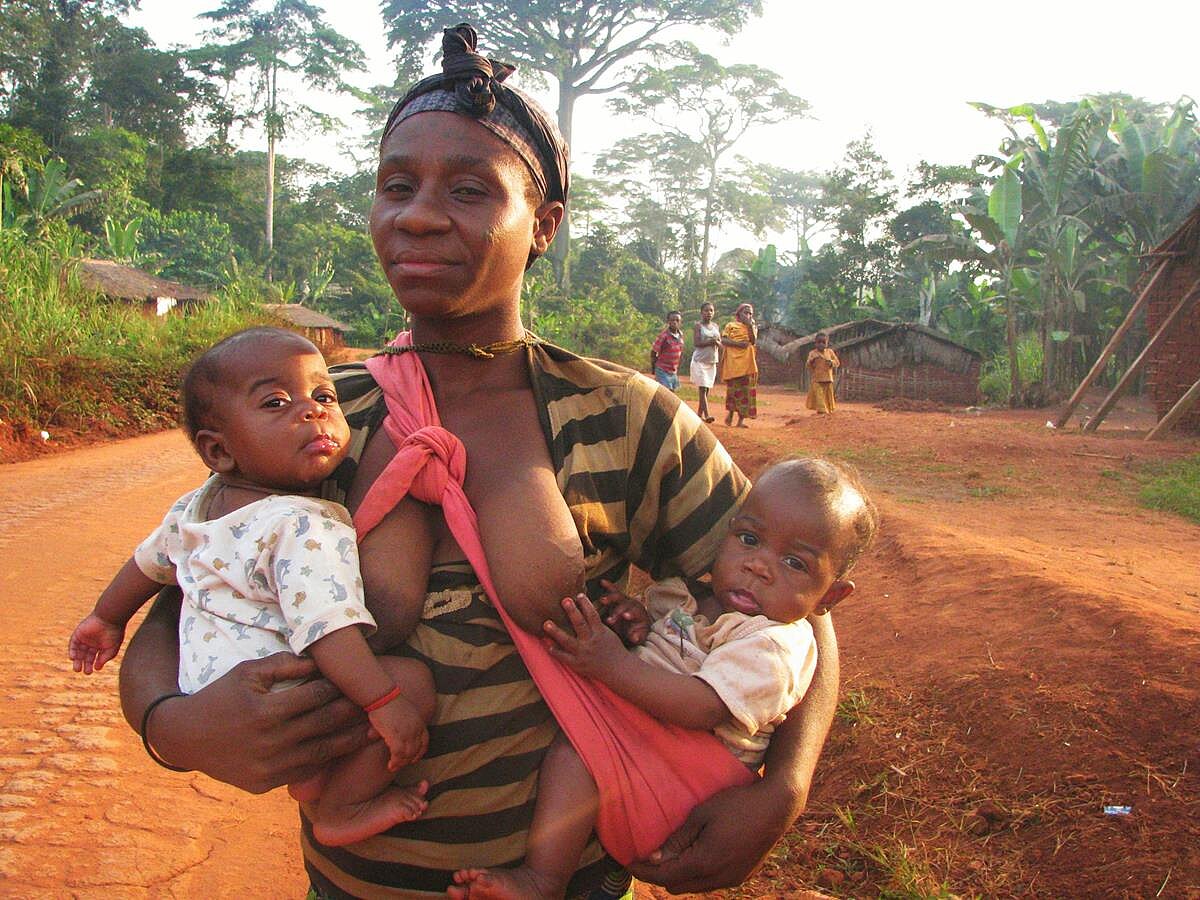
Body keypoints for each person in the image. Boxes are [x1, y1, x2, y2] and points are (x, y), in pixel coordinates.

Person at [117, 24, 840, 899]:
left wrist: (785, 788)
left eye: (468, 190)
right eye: (397, 186)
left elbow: (795, 608)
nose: (418, 215)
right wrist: (170, 725)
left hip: (572, 882)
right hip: (354, 884)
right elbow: (189, 584)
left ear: (544, 226)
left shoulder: (628, 417)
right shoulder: (321, 416)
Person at [70, 327, 436, 847]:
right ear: (218, 450)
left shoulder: (196, 507)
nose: (312, 412)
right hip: (274, 693)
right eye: (276, 403)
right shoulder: (304, 523)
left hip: (206, 690)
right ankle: (342, 806)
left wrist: (106, 618)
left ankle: (311, 775)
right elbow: (327, 628)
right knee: (411, 684)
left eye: (324, 396)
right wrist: (383, 702)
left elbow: (148, 565)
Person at [450, 458, 878, 900]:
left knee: (576, 757)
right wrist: (637, 620)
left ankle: (544, 879)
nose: (759, 566)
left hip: (687, 783)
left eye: (794, 563)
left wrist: (614, 665)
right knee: (577, 758)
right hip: (650, 749)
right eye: (749, 540)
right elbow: (669, 643)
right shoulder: (692, 598)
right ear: (726, 531)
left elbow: (702, 706)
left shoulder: (775, 645)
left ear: (830, 597)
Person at [721, 303, 759, 427]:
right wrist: (738, 344)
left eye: (750, 314)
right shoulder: (730, 326)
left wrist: (750, 326)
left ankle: (740, 421)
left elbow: (753, 341)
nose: (748, 315)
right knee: (733, 391)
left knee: (746, 392)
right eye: (745, 313)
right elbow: (723, 340)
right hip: (733, 364)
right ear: (739, 314)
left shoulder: (752, 327)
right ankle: (730, 414)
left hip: (747, 364)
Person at [690, 302, 720, 422]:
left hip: (711, 361)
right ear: (701, 312)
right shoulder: (698, 326)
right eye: (706, 310)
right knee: (702, 388)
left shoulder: (716, 326)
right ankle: (707, 415)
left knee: (707, 388)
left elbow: (719, 341)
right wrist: (711, 342)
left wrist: (718, 343)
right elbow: (697, 343)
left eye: (711, 310)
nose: (709, 313)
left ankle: (699, 414)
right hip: (700, 361)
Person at [649, 310, 685, 391]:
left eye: (677, 320)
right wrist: (654, 368)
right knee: (665, 392)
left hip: (673, 370)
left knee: (672, 392)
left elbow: (680, 351)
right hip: (662, 369)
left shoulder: (680, 335)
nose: (675, 322)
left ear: (680, 322)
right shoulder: (664, 336)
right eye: (672, 320)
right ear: (668, 321)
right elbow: (654, 352)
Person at [806, 332, 841, 414]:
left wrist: (831, 362)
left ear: (827, 343)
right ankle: (822, 412)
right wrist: (811, 361)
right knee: (819, 396)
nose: (821, 344)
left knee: (828, 397)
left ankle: (828, 412)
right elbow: (808, 365)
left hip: (828, 379)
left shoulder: (830, 352)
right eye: (819, 342)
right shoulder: (812, 353)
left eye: (823, 342)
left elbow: (837, 362)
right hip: (817, 379)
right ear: (815, 343)